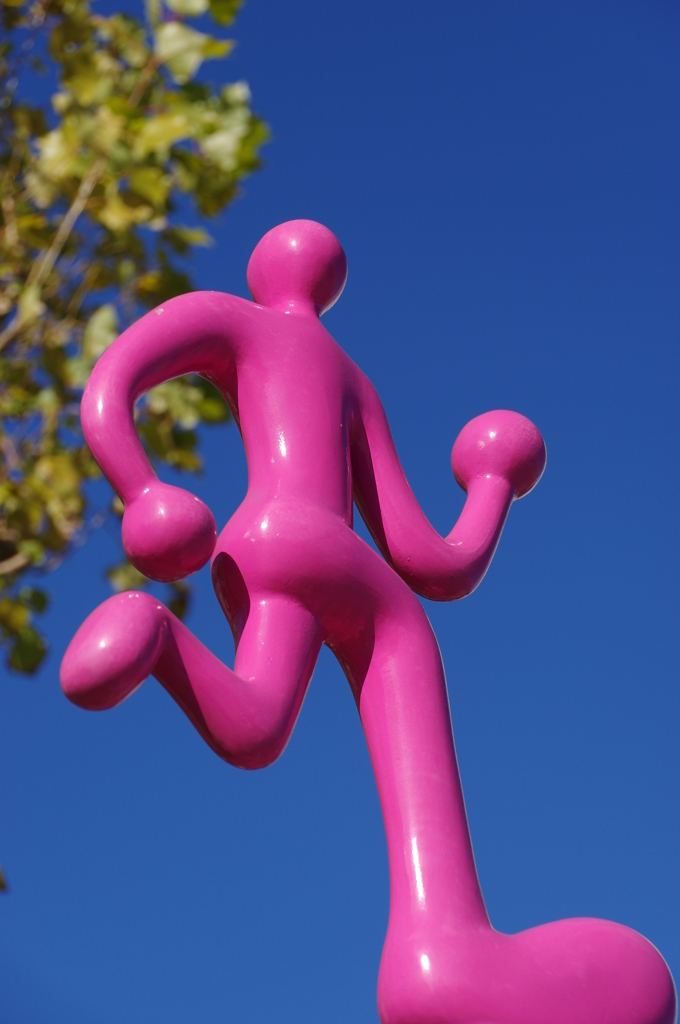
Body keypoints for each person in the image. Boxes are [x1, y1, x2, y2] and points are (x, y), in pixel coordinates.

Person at [61, 220, 675, 1024]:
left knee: (255, 730)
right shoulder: (346, 375)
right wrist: (491, 485)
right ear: (329, 279)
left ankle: (155, 634)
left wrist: (144, 488)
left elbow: (111, 384)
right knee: (406, 643)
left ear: (263, 266)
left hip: (259, 546)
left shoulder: (232, 318)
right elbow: (436, 562)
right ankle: (444, 942)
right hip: (341, 559)